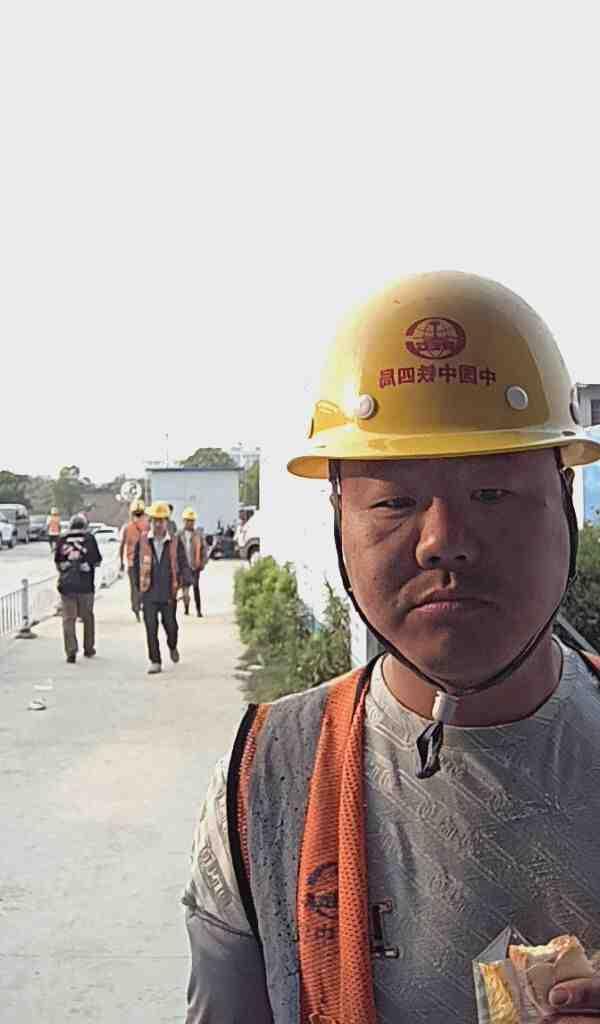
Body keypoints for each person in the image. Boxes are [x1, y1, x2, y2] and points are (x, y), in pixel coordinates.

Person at [182, 272, 600, 1024]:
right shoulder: (264, 784)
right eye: (396, 501)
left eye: (492, 493)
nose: (444, 541)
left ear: (563, 501)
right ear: (339, 517)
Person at [133, 501, 189, 675]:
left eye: (161, 520)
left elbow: (183, 564)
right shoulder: (143, 541)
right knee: (151, 627)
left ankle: (172, 645)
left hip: (168, 593)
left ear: (167, 521)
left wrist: (186, 587)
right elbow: (135, 566)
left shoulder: (174, 542)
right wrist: (137, 591)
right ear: (150, 521)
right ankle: (155, 661)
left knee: (171, 626)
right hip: (149, 592)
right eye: (155, 520)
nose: (158, 524)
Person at [55, 512, 102, 663]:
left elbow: (58, 562)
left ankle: (71, 651)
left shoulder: (62, 539)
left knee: (68, 619)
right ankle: (88, 648)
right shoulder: (89, 538)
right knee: (87, 617)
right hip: (85, 586)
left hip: (66, 586)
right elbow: (97, 560)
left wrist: (68, 567)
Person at [119, 499, 149, 621]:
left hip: (131, 563)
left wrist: (121, 562)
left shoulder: (127, 528)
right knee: (146, 585)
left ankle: (136, 608)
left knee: (134, 587)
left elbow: (122, 545)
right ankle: (145, 605)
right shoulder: (148, 526)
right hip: (146, 562)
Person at [178, 507, 209, 616]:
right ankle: (186, 608)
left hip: (195, 566)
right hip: (183, 567)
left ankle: (198, 610)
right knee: (185, 589)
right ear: (184, 521)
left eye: (192, 520)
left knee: (196, 588)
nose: (190, 523)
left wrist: (203, 563)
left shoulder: (198, 535)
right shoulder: (179, 535)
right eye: (188, 520)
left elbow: (204, 550)